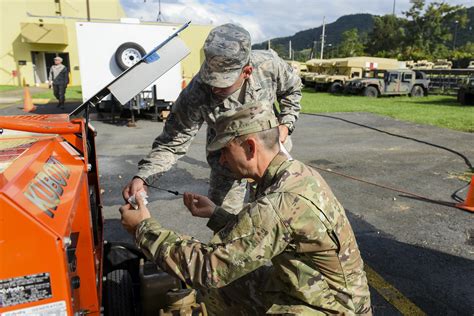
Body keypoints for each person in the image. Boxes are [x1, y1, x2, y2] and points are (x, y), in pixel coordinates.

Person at [119, 102, 372, 315]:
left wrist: (143, 228)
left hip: (332, 309)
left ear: (250, 147)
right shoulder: (295, 173)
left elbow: (210, 268)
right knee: (222, 289)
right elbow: (267, 233)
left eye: (226, 150)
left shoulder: (277, 203)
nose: (222, 160)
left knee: (213, 282)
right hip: (323, 293)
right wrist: (216, 214)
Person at [122, 23, 302, 214]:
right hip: (226, 165)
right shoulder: (197, 91)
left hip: (270, 158)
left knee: (273, 217)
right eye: (210, 79)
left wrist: (286, 123)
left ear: (246, 71)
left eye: (222, 83)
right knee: (223, 221)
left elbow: (293, 89)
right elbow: (171, 143)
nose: (213, 88)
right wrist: (143, 177)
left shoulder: (270, 66)